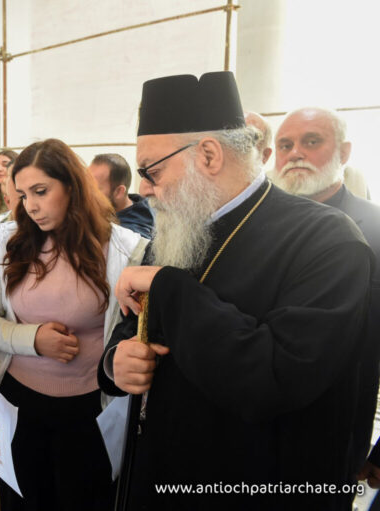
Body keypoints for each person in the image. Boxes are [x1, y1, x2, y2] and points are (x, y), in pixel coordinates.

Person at [98, 72, 372, 510]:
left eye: (152, 170)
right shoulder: (178, 226)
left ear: (208, 155)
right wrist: (116, 361)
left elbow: (274, 378)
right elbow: (132, 327)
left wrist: (169, 288)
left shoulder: (327, 240)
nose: (144, 188)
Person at [0, 138, 148, 510]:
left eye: (41, 191)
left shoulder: (126, 249)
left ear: (72, 186)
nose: (31, 206)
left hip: (91, 410)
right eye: (22, 195)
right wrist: (31, 339)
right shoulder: (11, 240)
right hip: (18, 405)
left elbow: (134, 334)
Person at [272, 107, 380, 488]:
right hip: (250, 434)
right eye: (285, 145)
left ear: (344, 152)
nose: (295, 153)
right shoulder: (257, 227)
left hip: (333, 440)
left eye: (311, 141)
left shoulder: (375, 229)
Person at [88, 153, 154, 237]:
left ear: (119, 192)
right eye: (86, 186)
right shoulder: (136, 202)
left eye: (94, 189)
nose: (86, 193)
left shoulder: (129, 236)